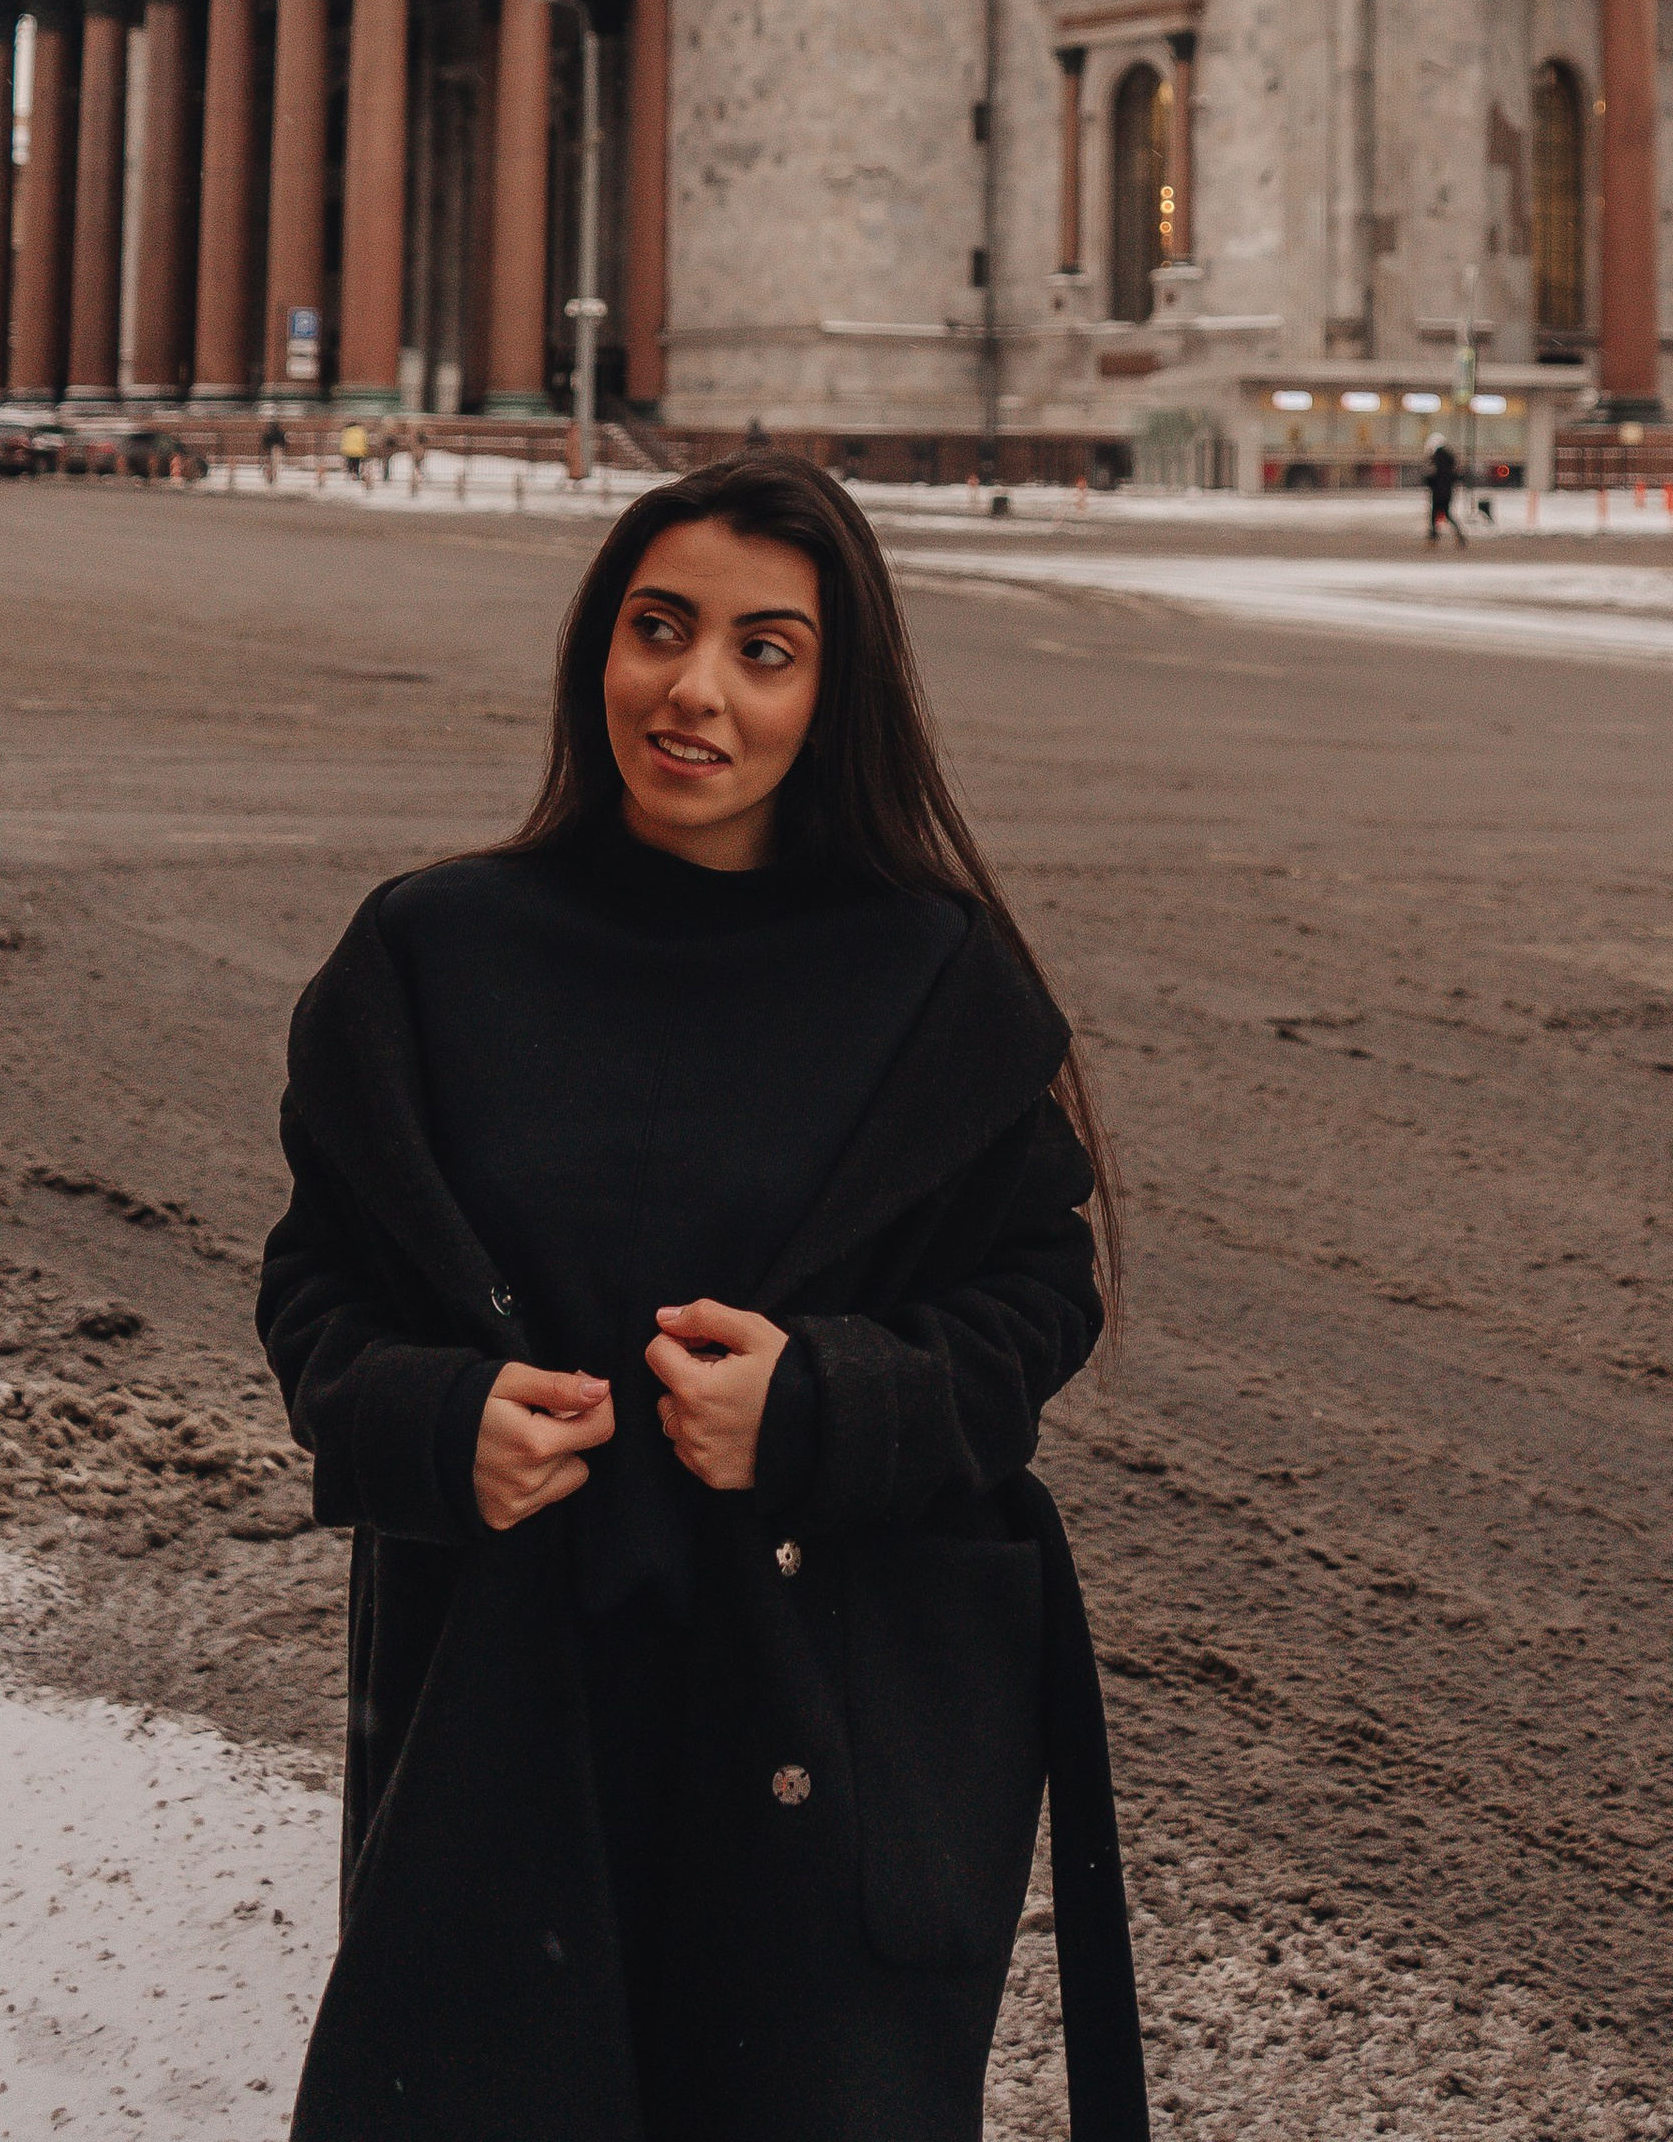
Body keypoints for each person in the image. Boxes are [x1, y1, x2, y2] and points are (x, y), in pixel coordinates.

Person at [257, 454, 1145, 2142]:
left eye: (766, 649)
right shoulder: (434, 955)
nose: (695, 690)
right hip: (511, 1732)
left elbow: (1035, 1300)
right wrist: (438, 1424)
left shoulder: (931, 977)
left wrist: (817, 1407)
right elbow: (318, 1289)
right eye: (659, 629)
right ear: (601, 646)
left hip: (819, 1724)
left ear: (836, 692)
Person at [1424, 435, 1468, 549]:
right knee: (1447, 514)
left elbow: (1430, 476)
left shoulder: (1435, 459)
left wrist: (1429, 482)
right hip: (1448, 491)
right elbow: (1456, 476)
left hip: (1437, 491)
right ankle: (1459, 535)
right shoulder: (1450, 460)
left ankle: (1433, 539)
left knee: (1434, 515)